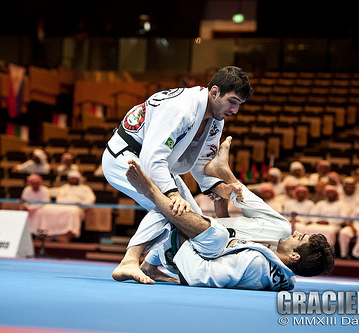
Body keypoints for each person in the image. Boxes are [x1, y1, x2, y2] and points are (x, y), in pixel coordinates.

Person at [102, 66, 253, 284]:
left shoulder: (215, 120)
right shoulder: (181, 108)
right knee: (170, 208)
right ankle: (129, 260)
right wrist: (173, 194)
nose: (235, 110)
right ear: (214, 92)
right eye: (232, 101)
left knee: (193, 218)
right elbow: (152, 157)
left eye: (239, 104)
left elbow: (202, 162)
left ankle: (150, 266)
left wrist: (219, 187)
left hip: (153, 162)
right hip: (126, 157)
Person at [126, 137, 334, 289]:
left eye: (301, 238)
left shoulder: (257, 265)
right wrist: (222, 213)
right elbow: (232, 240)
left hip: (183, 253)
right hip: (206, 235)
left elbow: (201, 275)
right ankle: (224, 172)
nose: (298, 233)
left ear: (294, 255)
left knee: (216, 234)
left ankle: (150, 192)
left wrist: (187, 239)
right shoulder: (279, 260)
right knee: (281, 227)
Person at [42, 170, 97, 242]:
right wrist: (42, 189)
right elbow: (53, 192)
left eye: (74, 178)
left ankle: (67, 235)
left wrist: (81, 204)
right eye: (71, 178)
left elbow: (91, 199)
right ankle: (48, 234)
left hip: (75, 207)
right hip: (60, 206)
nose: (72, 180)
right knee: (46, 209)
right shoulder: (65, 187)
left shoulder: (85, 188)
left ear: (78, 179)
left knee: (72, 211)